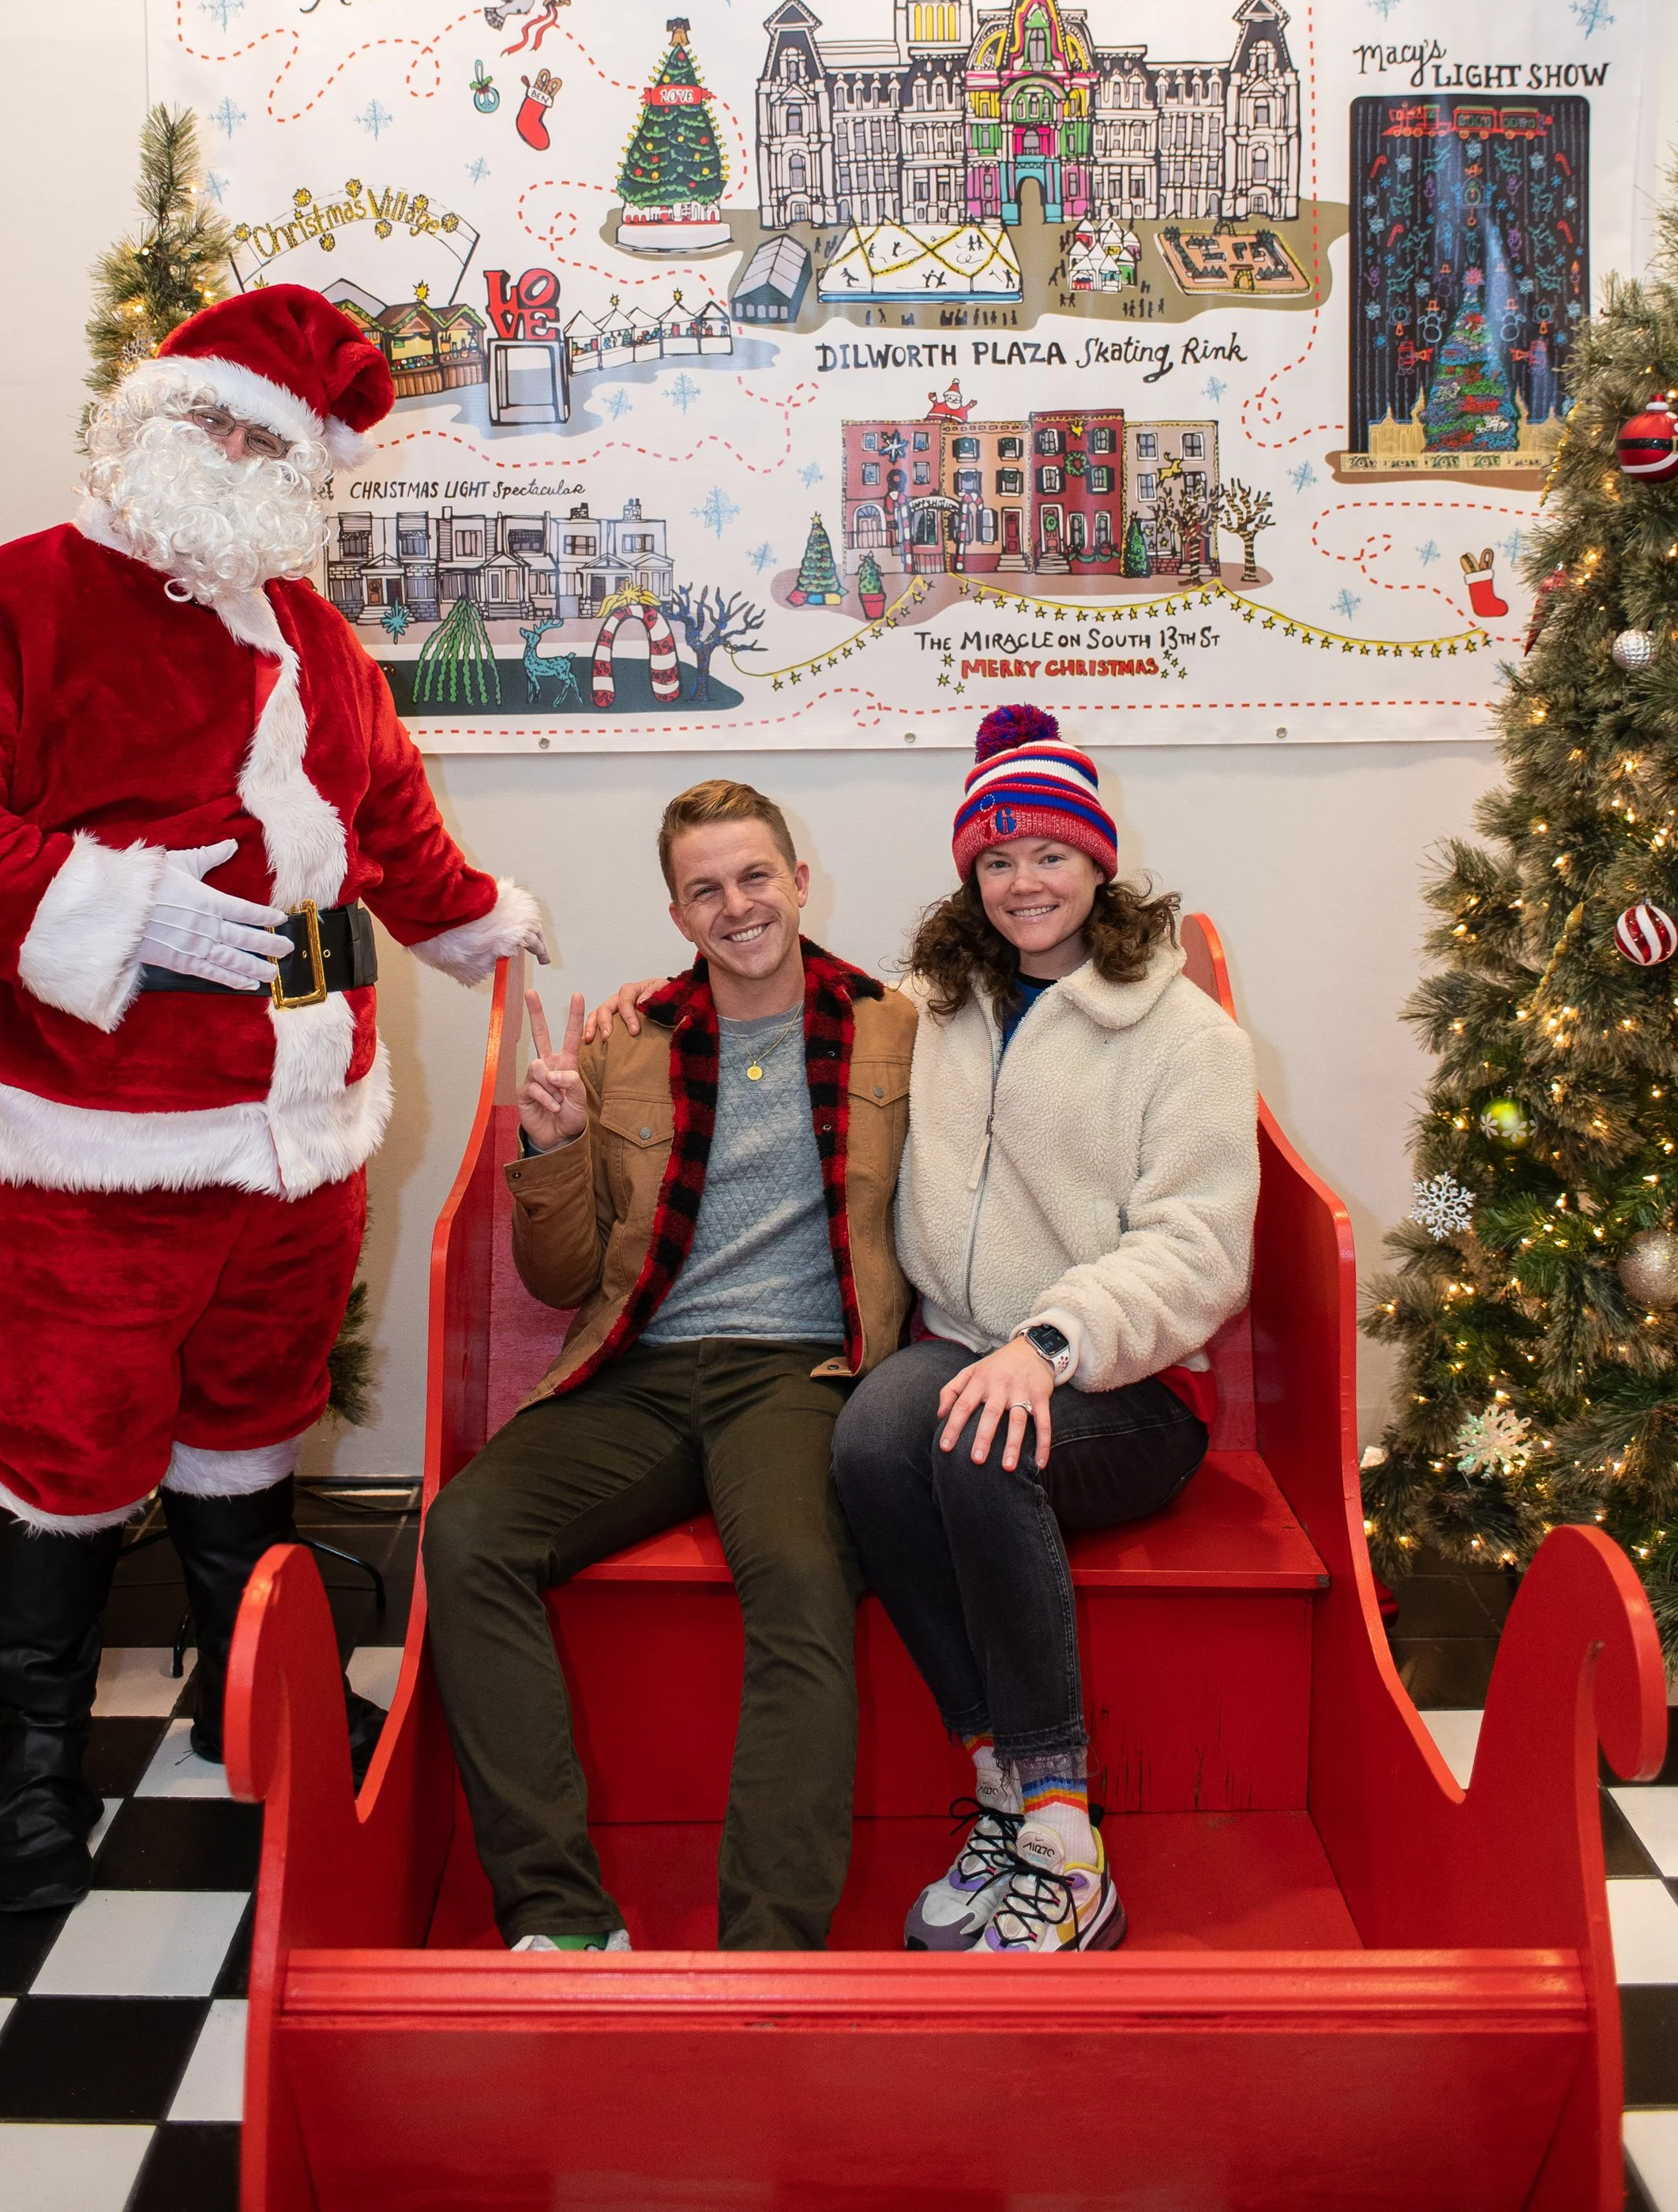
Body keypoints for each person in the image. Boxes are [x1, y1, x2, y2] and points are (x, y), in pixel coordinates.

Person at [0, 284, 545, 1914]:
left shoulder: (317, 639)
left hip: (302, 1137)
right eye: (208, 419)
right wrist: (108, 906)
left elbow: (389, 830)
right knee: (65, 1444)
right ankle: (35, 1762)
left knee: (252, 1419)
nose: (228, 452)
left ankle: (261, 1712)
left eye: (264, 439)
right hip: (88, 1143)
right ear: (146, 415)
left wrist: (475, 923)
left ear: (306, 474)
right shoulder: (6, 606)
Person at [421, 778, 916, 1953]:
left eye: (755, 877)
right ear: (679, 913)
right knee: (467, 1536)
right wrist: (549, 1151)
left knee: (803, 1581)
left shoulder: (898, 1029)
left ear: (801, 881)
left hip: (797, 1375)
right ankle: (561, 1919)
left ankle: (770, 1945)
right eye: (706, 890)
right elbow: (561, 1279)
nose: (737, 906)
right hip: (639, 1369)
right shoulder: (628, 1042)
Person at [830, 704, 1258, 1955]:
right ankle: (1004, 1789)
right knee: (868, 1447)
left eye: (1051, 855)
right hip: (964, 1346)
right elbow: (808, 1016)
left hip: (1127, 1389)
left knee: (981, 1443)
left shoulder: (1190, 1039)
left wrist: (1052, 1342)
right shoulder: (940, 1004)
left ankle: (1066, 1842)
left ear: (1098, 866)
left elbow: (1199, 1250)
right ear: (972, 876)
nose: (1025, 882)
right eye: (998, 859)